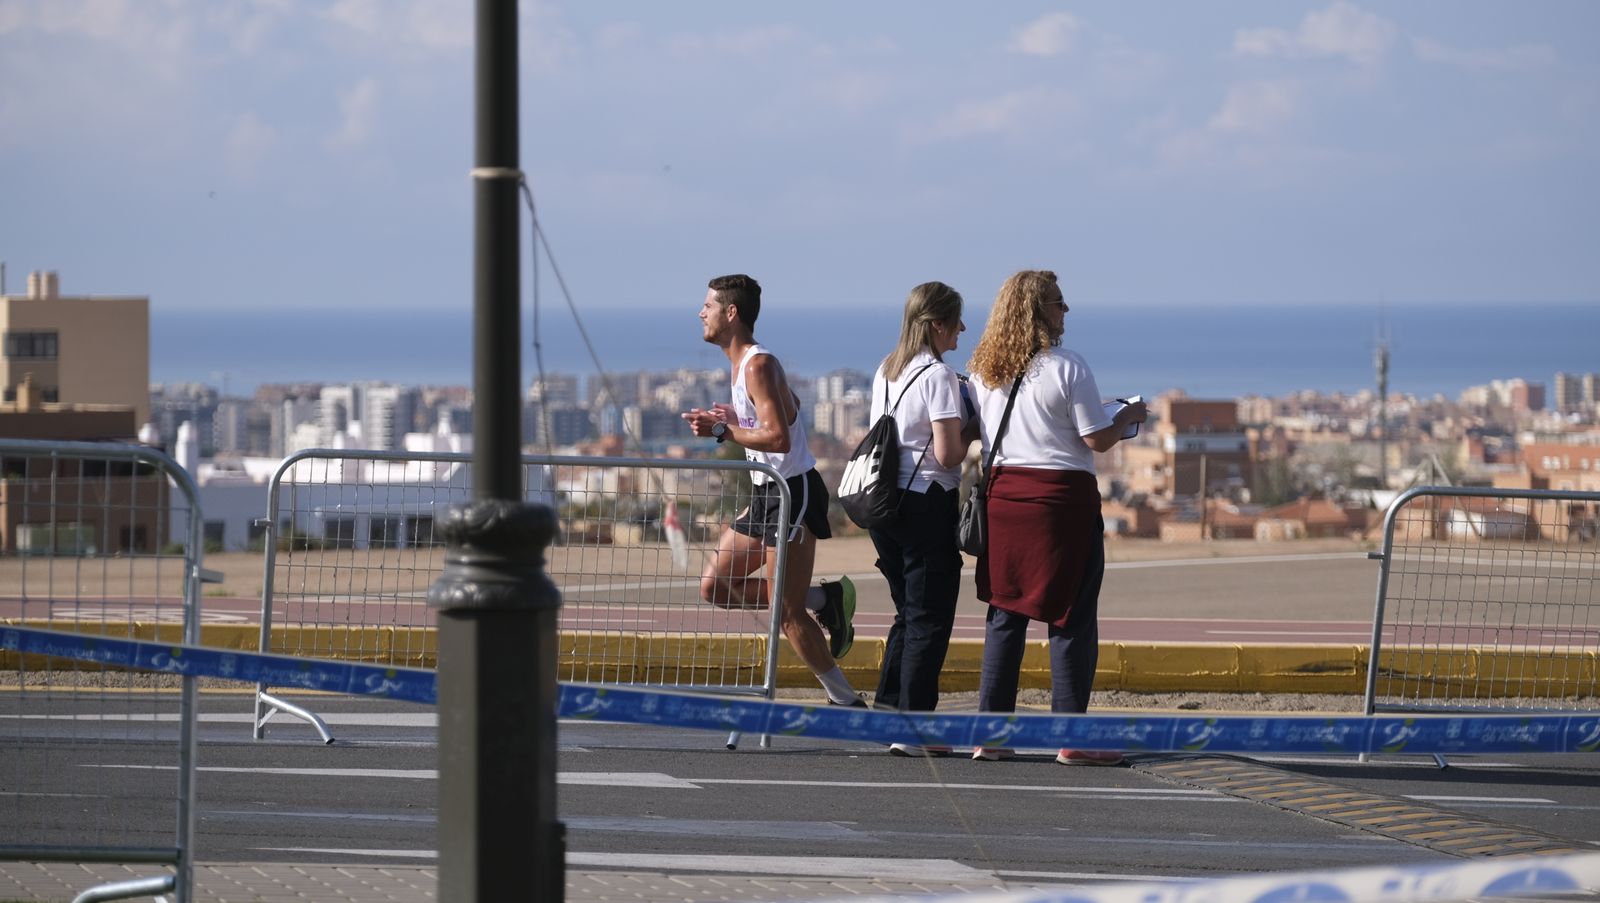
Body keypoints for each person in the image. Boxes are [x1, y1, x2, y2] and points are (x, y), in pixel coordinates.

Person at [965, 270, 1147, 765]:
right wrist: (1128, 416)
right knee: (1072, 615)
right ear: (1036, 311)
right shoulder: (1069, 366)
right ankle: (1071, 737)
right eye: (1058, 303)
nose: (1066, 312)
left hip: (1005, 500)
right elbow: (1096, 438)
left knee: (1005, 613)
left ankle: (990, 734)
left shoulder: (985, 371)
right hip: (1061, 504)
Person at [681, 274, 863, 707]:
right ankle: (826, 598)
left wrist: (723, 430)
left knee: (788, 615)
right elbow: (792, 406)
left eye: (708, 306)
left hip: (791, 493)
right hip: (767, 493)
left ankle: (847, 704)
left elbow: (779, 438)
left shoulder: (758, 364)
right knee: (715, 587)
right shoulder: (745, 365)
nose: (700, 313)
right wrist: (741, 420)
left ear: (731, 313)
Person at [865, 282, 978, 757]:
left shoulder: (886, 369)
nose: (962, 329)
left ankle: (889, 714)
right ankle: (914, 729)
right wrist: (974, 427)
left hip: (883, 505)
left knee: (907, 615)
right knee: (929, 619)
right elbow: (948, 454)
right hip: (926, 504)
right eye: (956, 321)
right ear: (936, 325)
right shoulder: (938, 376)